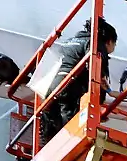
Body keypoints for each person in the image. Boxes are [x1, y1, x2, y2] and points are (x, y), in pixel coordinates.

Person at [37, 17, 117, 147]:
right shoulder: (96, 44)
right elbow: (97, 75)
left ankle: (46, 146)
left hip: (51, 88)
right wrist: (98, 109)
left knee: (52, 125)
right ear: (109, 41)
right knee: (71, 129)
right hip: (70, 86)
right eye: (114, 44)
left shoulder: (69, 42)